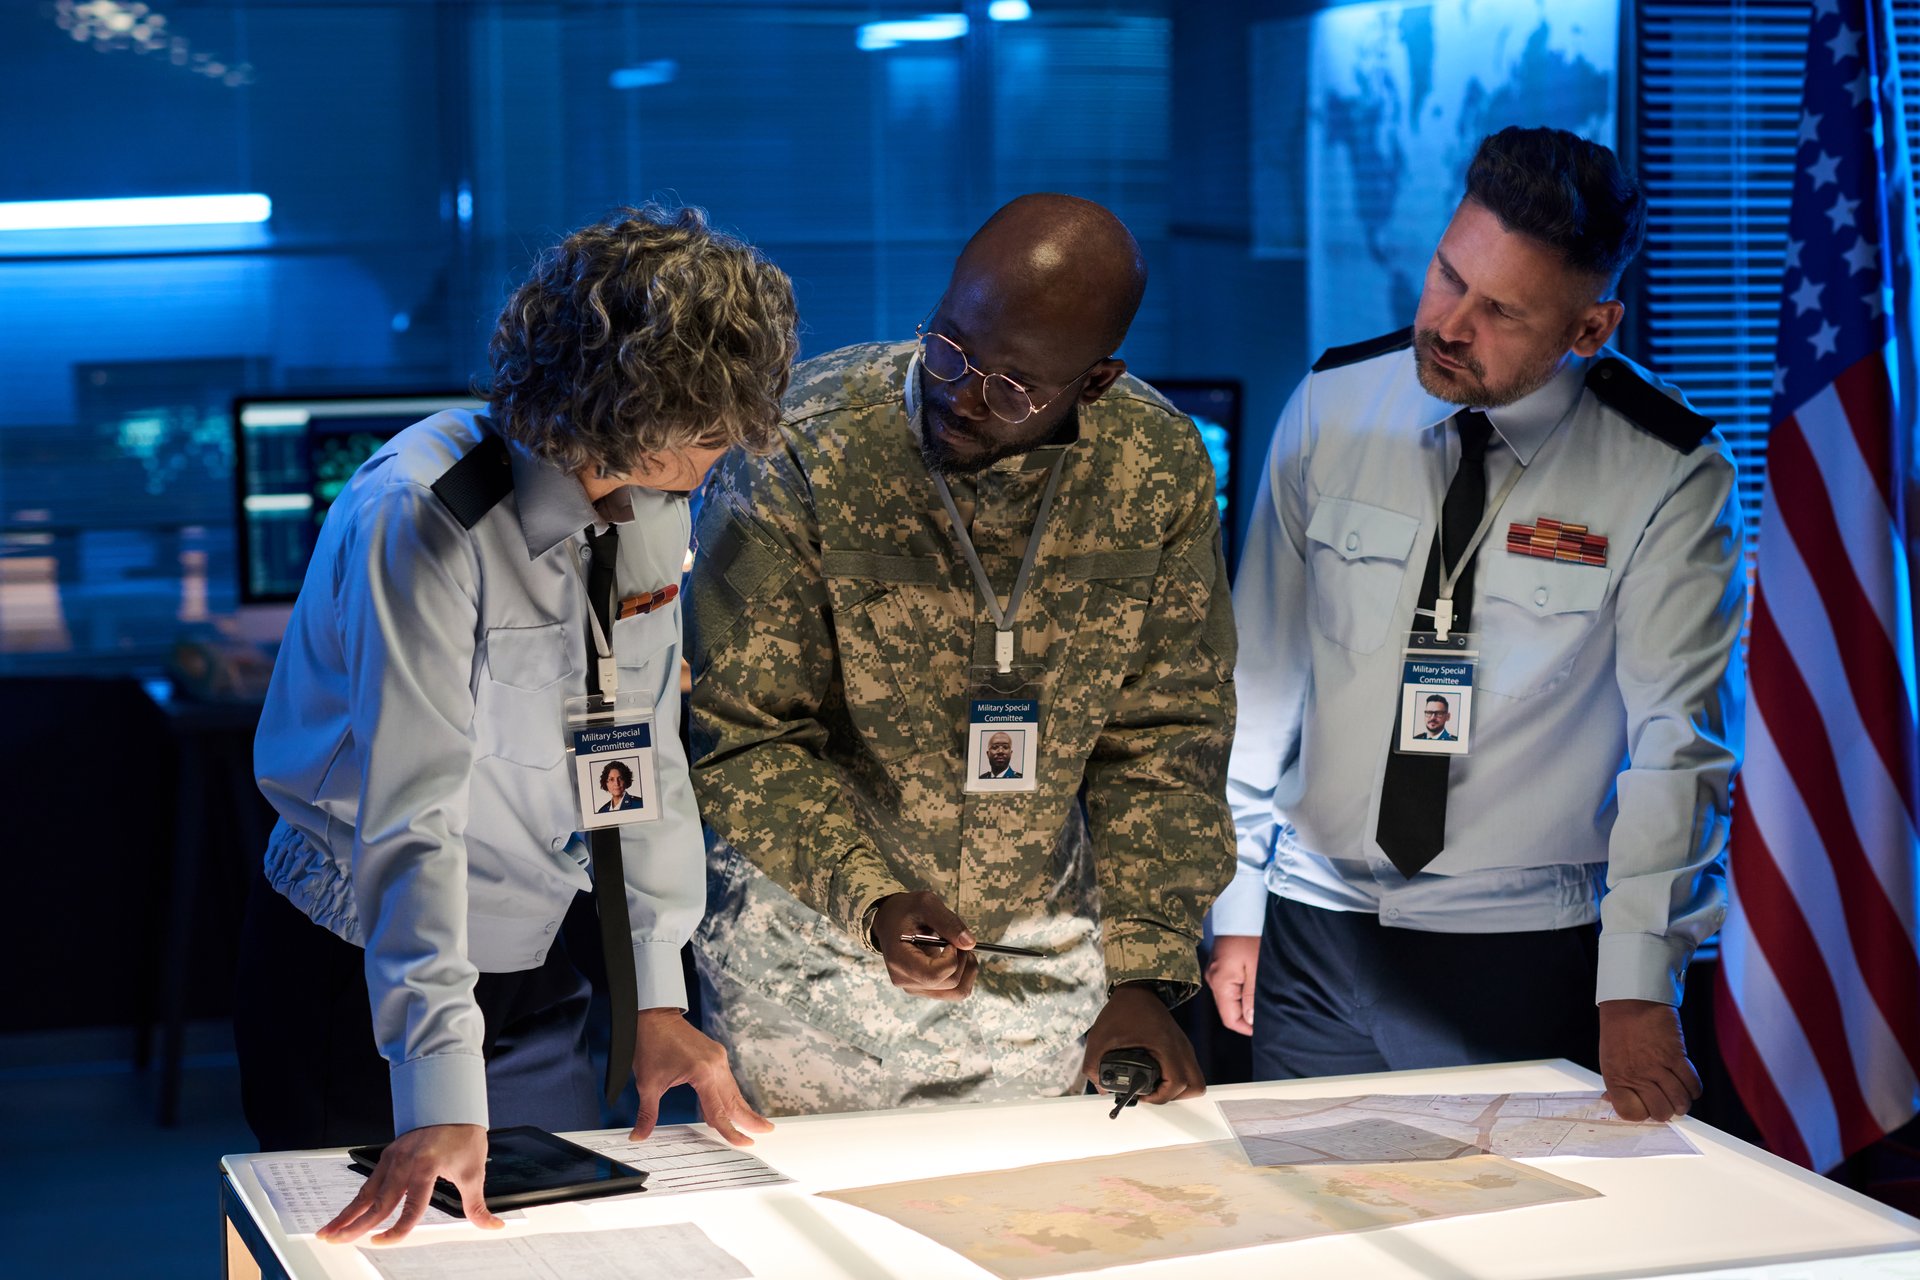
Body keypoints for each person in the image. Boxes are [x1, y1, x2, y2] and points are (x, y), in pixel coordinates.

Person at [236, 205, 799, 1243]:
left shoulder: (652, 505)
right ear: (632, 407)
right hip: (365, 971)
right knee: (376, 1257)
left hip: (538, 957)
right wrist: (438, 1083)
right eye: (712, 428)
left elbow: (640, 753)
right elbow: (412, 816)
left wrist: (656, 994)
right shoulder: (424, 516)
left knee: (540, 1250)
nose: (725, 452)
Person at [1208, 127, 1743, 1124]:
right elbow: (1262, 678)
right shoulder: (1332, 404)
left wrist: (1637, 980)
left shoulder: (1667, 469)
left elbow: (1680, 747)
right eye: (1448, 276)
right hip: (1314, 931)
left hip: (1517, 951)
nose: (1450, 324)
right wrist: (1238, 903)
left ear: (1590, 329)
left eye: (1500, 310)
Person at [688, 193, 1236, 1116]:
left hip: (1044, 967)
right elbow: (742, 734)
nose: (962, 393)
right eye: (948, 347)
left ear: (1095, 383)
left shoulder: (1155, 467)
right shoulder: (806, 444)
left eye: (1014, 386)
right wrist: (872, 901)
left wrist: (1144, 972)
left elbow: (1166, 739)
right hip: (812, 960)